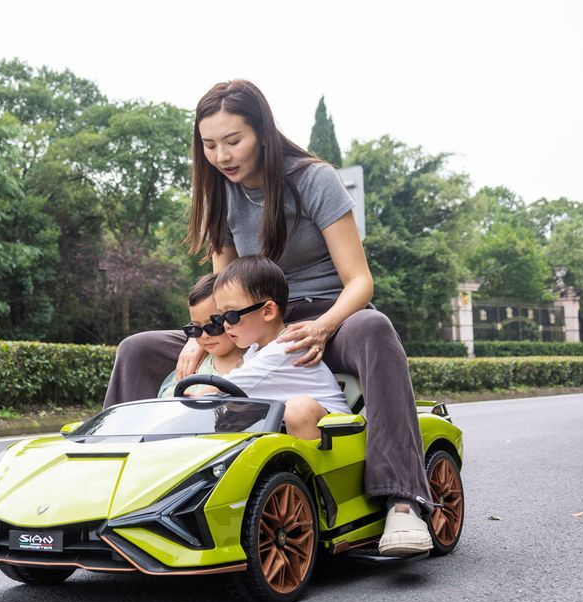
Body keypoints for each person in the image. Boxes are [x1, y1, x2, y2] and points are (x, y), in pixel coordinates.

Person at [103, 79, 433, 556]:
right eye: (210, 145)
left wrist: (323, 326)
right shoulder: (218, 192)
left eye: (233, 141)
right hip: (247, 316)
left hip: (322, 312)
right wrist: (206, 332)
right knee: (138, 349)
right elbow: (223, 288)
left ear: (262, 132)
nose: (221, 156)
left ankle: (402, 502)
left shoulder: (314, 178)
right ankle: (120, 481)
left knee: (374, 330)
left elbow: (359, 281)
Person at [188, 257, 349, 439]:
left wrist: (194, 398)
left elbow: (229, 385)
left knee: (299, 408)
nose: (225, 325)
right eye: (220, 318)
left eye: (231, 315)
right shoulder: (255, 350)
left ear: (267, 311)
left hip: (338, 434)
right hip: (301, 432)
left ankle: (310, 468)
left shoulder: (286, 348)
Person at [156, 274, 244, 398]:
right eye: (195, 329)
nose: (204, 335)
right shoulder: (196, 363)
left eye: (213, 326)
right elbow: (171, 391)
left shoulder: (253, 359)